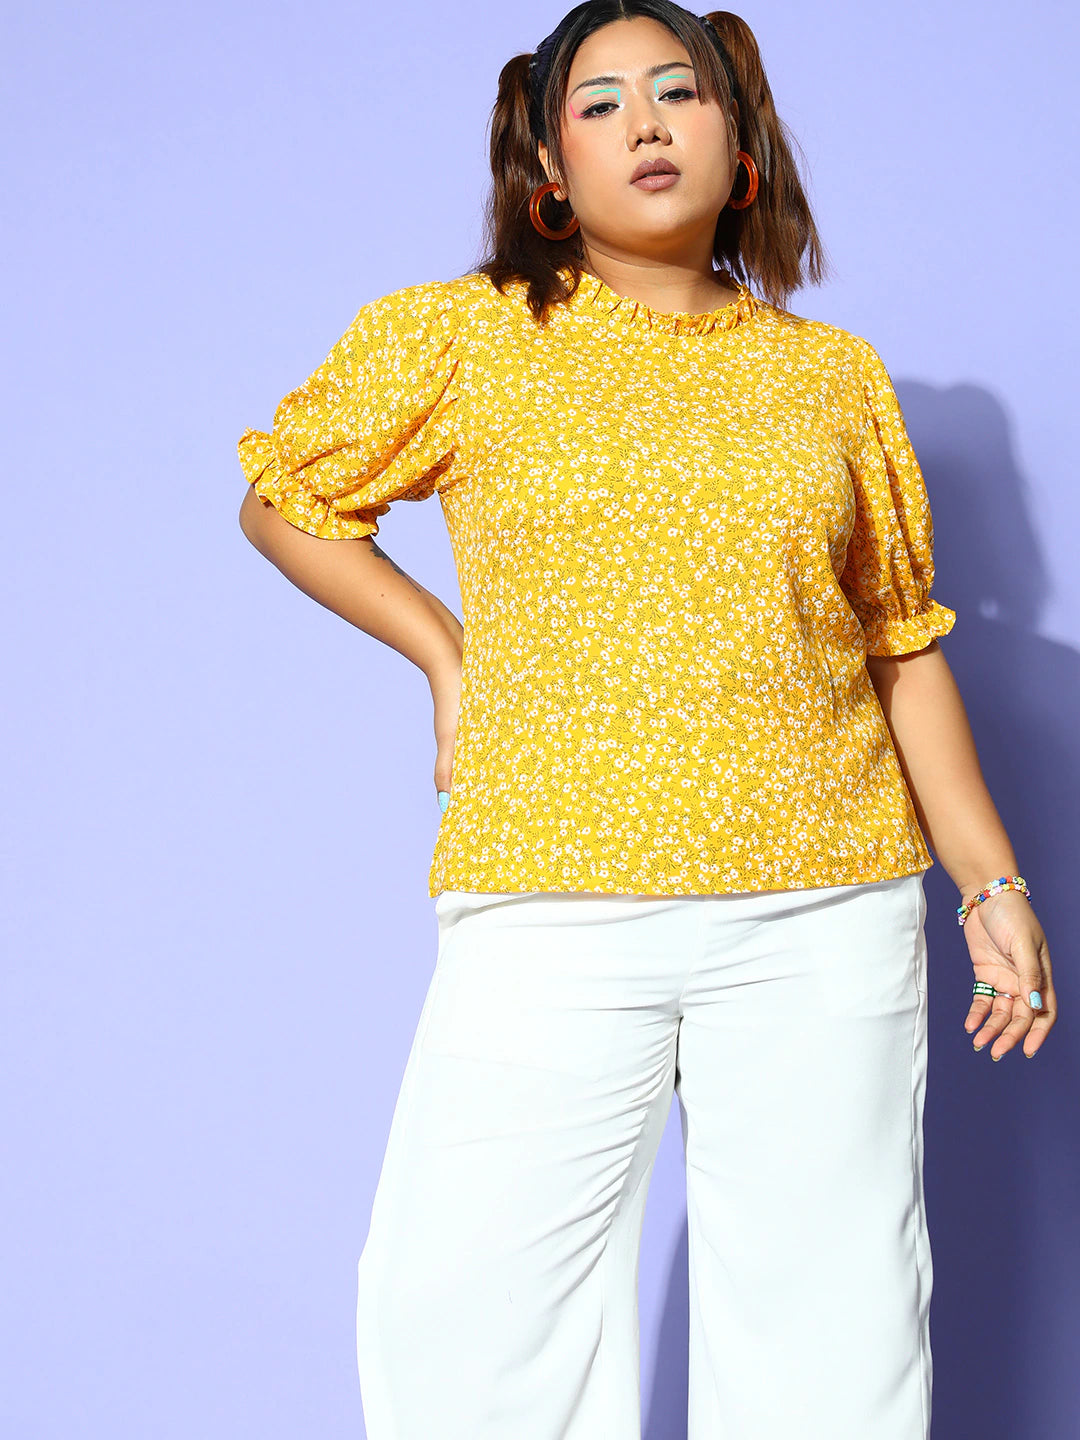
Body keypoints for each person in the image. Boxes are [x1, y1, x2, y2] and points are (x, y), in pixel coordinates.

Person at [235, 4, 1057, 1435]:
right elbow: (288, 499)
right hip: (551, 889)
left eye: (679, 93)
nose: (647, 124)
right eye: (601, 104)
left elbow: (898, 643)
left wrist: (991, 885)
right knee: (471, 1316)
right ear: (550, 167)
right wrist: (444, 651)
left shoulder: (830, 374)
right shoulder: (468, 336)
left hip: (822, 906)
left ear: (743, 147)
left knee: (833, 1325)